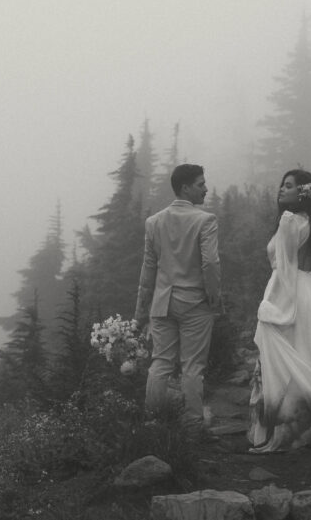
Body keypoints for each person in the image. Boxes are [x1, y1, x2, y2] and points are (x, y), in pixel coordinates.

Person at [247, 169, 311, 453]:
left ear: (302, 192)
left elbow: (286, 269)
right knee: (306, 355)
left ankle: (285, 429)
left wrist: (275, 309)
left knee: (282, 358)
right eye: (282, 184)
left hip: (291, 292)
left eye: (289, 186)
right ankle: (308, 425)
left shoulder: (289, 221)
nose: (281, 189)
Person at [135, 163, 221, 428]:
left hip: (162, 303)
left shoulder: (154, 222)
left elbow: (148, 268)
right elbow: (210, 263)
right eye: (200, 184)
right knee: (193, 366)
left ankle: (154, 421)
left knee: (160, 363)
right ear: (185, 188)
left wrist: (140, 310)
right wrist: (215, 298)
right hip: (195, 301)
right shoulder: (205, 220)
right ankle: (194, 424)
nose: (205, 189)